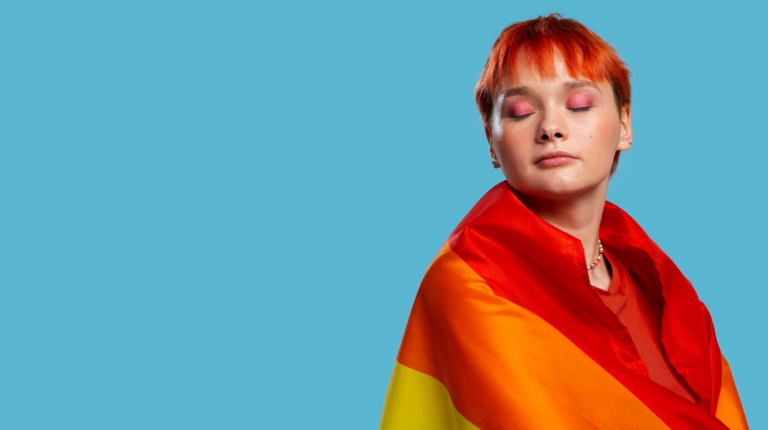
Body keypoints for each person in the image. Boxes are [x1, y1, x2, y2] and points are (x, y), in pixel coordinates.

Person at [380, 14, 748, 430]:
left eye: (578, 105)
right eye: (520, 111)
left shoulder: (667, 294)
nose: (551, 128)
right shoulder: (469, 286)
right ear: (491, 142)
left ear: (624, 125)